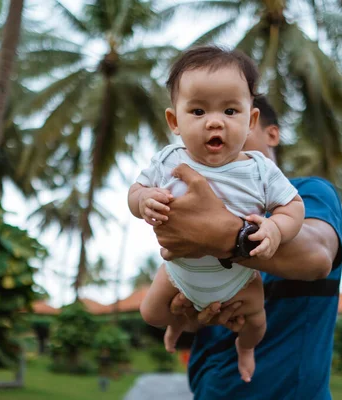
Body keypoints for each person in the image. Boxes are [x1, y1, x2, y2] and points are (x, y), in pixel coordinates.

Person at [128, 46, 305, 383]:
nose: (214, 121)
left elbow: (293, 207)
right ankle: (179, 322)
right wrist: (143, 200)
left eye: (229, 110)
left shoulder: (260, 171)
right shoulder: (168, 160)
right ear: (174, 121)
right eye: (197, 111)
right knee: (151, 313)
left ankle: (245, 350)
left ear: (250, 119)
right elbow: (134, 192)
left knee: (256, 325)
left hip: (239, 278)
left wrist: (277, 229)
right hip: (178, 271)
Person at [153, 95, 342, 399]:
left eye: (233, 114)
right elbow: (187, 313)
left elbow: (317, 256)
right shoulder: (197, 201)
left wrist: (224, 236)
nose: (221, 128)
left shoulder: (308, 193)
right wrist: (186, 316)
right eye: (200, 114)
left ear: (268, 130)